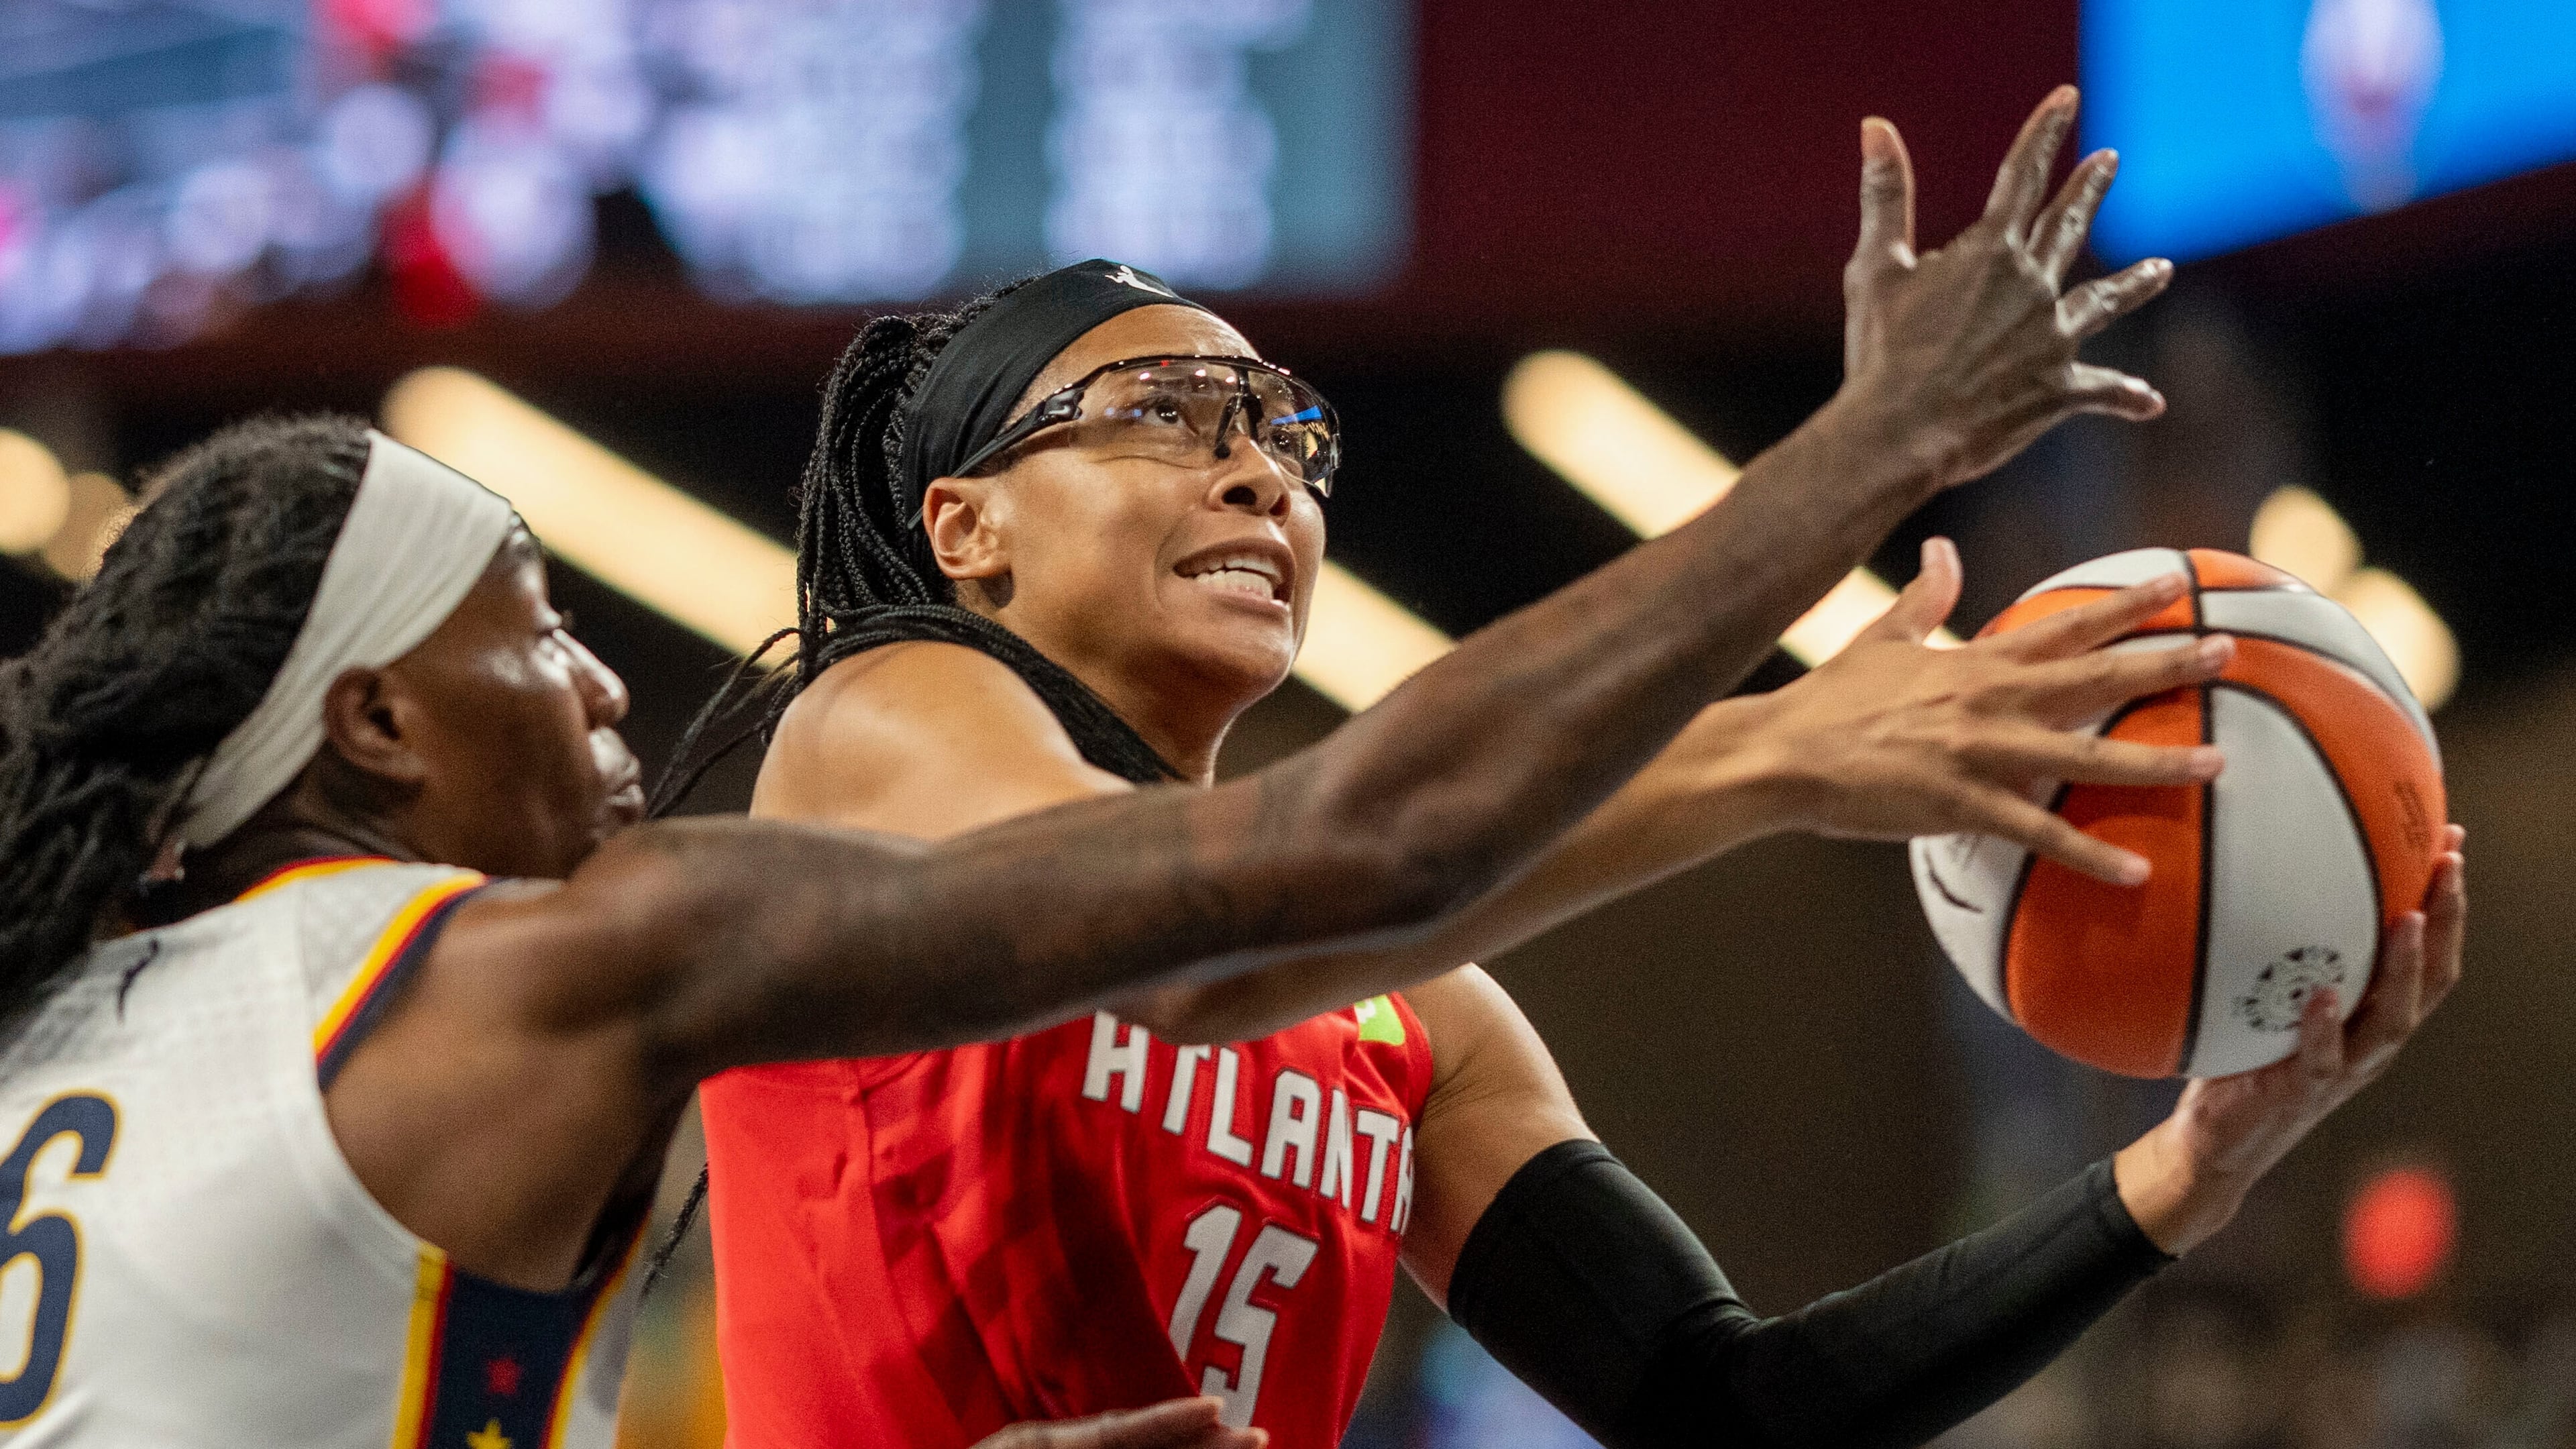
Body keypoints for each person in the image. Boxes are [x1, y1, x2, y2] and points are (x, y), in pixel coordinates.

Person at [692, 88, 2467, 1448]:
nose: (1262, 481)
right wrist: (1842, 538)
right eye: (1166, 411)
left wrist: (2188, 1173)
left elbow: (1725, 1408)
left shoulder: (1414, 1018)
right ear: (967, 525)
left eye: (1285, 435)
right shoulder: (884, 729)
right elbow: (1211, 935)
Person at [0, 382, 2101, 1449]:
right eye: (537, 638)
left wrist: (2182, 1164)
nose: (608, 683)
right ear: (373, 723)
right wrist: (1844, 502)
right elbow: (1310, 876)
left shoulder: (58, 1030)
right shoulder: (556, 957)